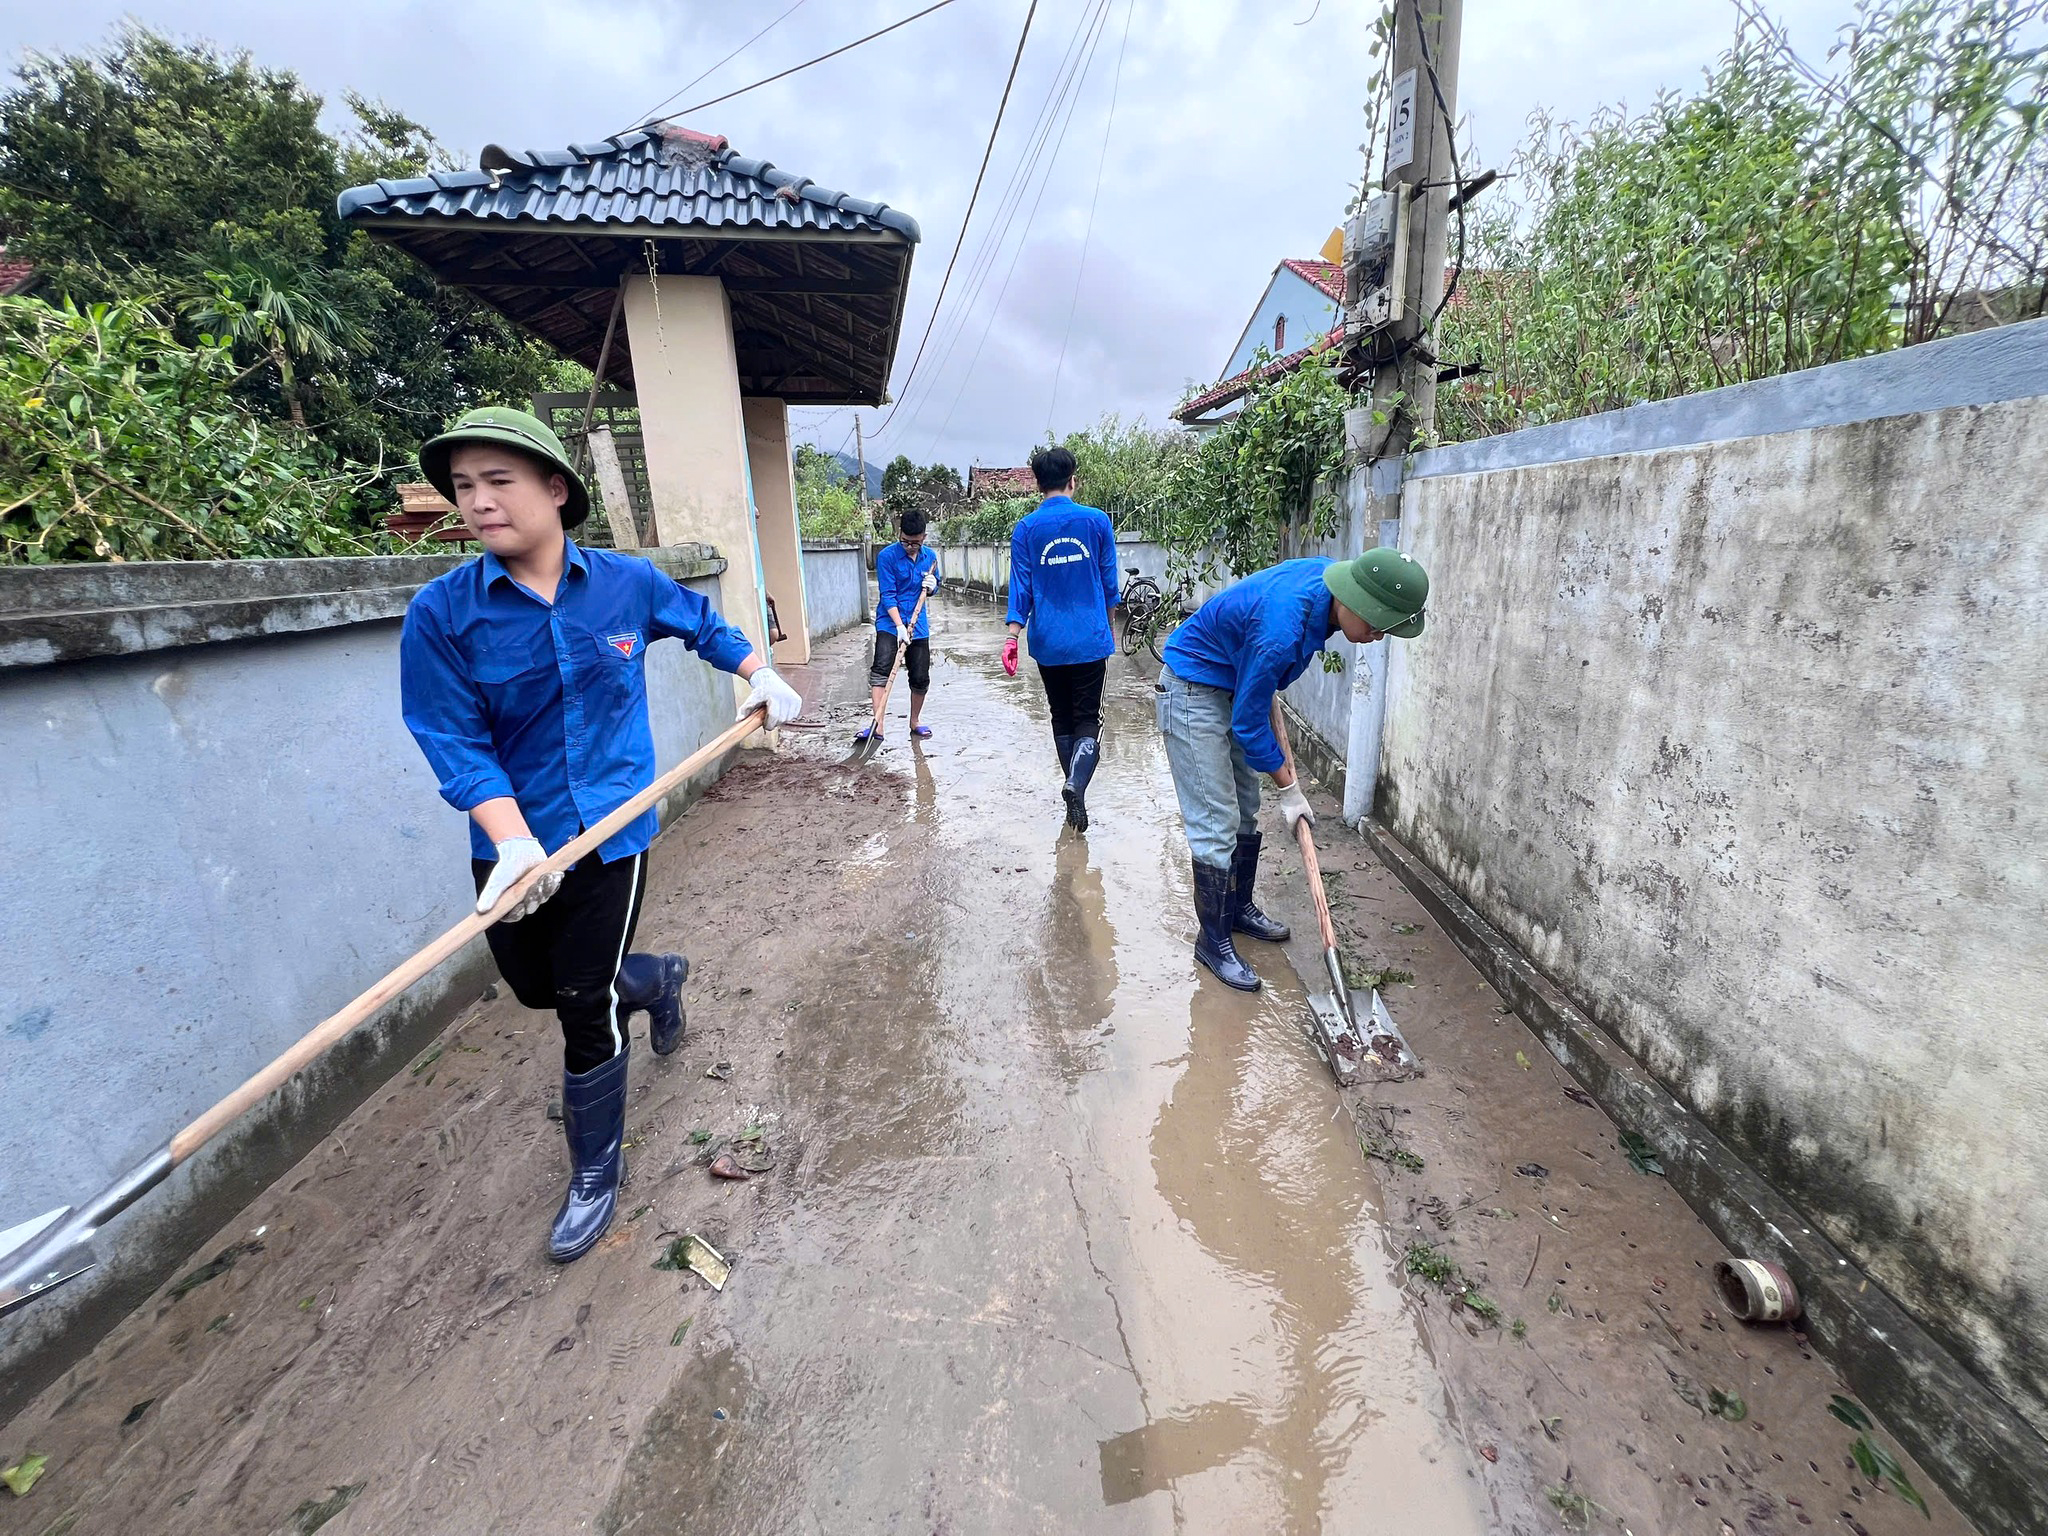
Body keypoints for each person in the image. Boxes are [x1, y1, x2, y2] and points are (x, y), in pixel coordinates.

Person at [399, 406, 802, 1263]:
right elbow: (451, 735)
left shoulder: (626, 585)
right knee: (535, 989)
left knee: (582, 1004)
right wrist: (511, 840)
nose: (477, 502)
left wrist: (758, 670)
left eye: (497, 481)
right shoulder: (441, 615)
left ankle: (594, 1174)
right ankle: (658, 978)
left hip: (614, 834)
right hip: (514, 844)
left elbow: (703, 624)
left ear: (555, 488)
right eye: (463, 487)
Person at [1156, 550, 1428, 992]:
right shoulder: (1281, 630)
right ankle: (1212, 940)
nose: (1378, 637)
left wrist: (1261, 679)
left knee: (1245, 809)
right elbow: (1248, 722)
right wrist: (1290, 790)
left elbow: (1253, 696)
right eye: (1376, 625)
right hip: (1192, 689)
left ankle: (1238, 909)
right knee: (1215, 822)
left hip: (1236, 680)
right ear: (1353, 599)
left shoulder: (1329, 577)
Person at [1002, 445, 1120, 830]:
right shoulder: (1098, 521)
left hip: (1048, 642)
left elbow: (1021, 590)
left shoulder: (1026, 530)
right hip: (1089, 638)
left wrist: (1011, 638)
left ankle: (1072, 790)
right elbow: (1108, 583)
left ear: (1038, 485)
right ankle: (1077, 785)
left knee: (1061, 717)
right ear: (1073, 479)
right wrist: (1107, 628)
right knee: (1089, 718)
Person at [861, 508, 941, 742]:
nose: (909, 547)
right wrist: (898, 627)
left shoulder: (930, 557)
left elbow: (935, 586)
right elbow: (888, 595)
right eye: (905, 541)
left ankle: (915, 721)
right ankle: (878, 725)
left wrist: (933, 584)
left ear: (923, 538)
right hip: (889, 623)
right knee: (881, 670)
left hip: (918, 625)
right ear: (900, 534)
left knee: (920, 676)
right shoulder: (886, 557)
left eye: (914, 543)